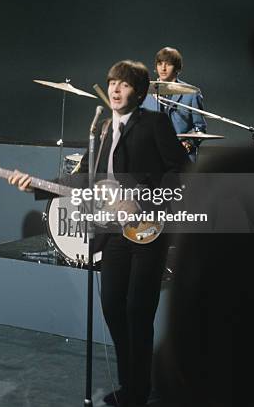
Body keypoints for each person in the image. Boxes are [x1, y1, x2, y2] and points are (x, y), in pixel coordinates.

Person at [157, 0, 254, 406]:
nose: (163, 72)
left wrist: (189, 141)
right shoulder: (150, 100)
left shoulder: (234, 174)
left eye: (168, 67)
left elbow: (187, 353)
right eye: (160, 66)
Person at [11, 60, 189, 407]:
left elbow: (179, 171)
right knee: (111, 306)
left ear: (137, 91)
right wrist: (37, 185)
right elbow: (88, 182)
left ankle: (139, 391)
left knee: (138, 311)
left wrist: (139, 198)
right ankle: (130, 383)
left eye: (124, 84)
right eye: (112, 82)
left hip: (149, 232)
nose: (116, 89)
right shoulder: (105, 128)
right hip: (114, 234)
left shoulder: (154, 123)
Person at [141, 47, 206, 160]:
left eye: (168, 64)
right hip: (152, 156)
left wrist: (188, 144)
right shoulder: (146, 92)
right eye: (160, 63)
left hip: (181, 156)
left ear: (177, 68)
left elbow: (199, 127)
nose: (163, 68)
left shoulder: (191, 93)